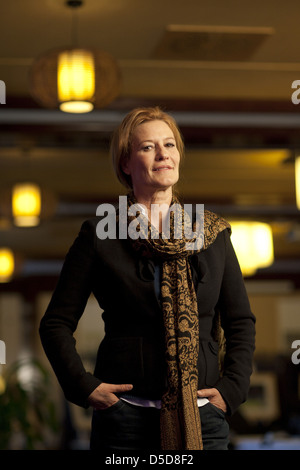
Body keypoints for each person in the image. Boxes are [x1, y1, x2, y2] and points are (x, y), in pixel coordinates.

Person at [39, 106, 256, 451]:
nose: (163, 155)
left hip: (204, 417)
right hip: (125, 420)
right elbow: (55, 324)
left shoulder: (213, 233)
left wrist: (232, 390)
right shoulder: (100, 234)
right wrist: (83, 386)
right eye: (147, 147)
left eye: (170, 145)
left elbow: (240, 321)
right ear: (126, 163)